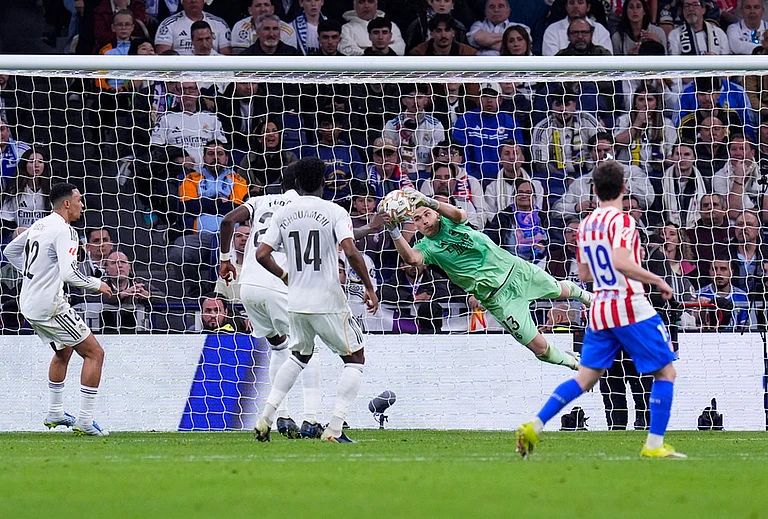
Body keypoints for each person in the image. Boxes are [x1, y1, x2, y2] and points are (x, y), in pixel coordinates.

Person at [516, 160, 685, 459]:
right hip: (628, 304)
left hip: (600, 307)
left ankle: (535, 424)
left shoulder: (587, 225)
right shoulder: (623, 221)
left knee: (585, 378)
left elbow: (583, 275)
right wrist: (656, 278)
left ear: (594, 190)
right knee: (666, 372)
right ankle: (654, 445)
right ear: (624, 188)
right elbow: (621, 262)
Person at [385, 187, 591, 370]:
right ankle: (574, 363)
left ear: (436, 215)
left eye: (427, 214)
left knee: (559, 291)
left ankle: (589, 298)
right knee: (540, 349)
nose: (424, 221)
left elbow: (458, 213)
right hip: (499, 300)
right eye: (417, 220)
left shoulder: (452, 221)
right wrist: (394, 231)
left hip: (516, 271)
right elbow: (411, 258)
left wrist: (430, 201)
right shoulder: (426, 247)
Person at [253, 157, 379, 443]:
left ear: (297, 184)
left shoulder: (283, 214)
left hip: (296, 301)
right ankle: (334, 428)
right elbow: (350, 250)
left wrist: (285, 276)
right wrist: (369, 287)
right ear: (324, 183)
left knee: (298, 356)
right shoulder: (334, 211)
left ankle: (267, 416)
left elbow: (262, 254)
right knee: (355, 359)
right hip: (328, 300)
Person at [2, 182, 113, 436]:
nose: (82, 205)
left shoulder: (40, 225)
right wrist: (97, 284)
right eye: (79, 200)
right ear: (67, 204)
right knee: (95, 353)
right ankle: (84, 421)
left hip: (28, 301)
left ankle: (55, 411)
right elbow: (69, 273)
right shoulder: (65, 231)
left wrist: (33, 274)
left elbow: (10, 251)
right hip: (49, 305)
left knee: (63, 351)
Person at [154, 0, 231, 55]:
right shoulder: (168, 24)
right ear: (182, 1)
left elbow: (227, 56)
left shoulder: (220, 24)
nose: (193, 1)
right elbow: (164, 56)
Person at [542, 0, 613, 56]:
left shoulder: (601, 30)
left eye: (580, 2)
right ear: (566, 7)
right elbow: (552, 63)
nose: (575, 6)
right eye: (571, 3)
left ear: (588, 7)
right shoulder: (552, 30)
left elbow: (607, 61)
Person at [339, 0, 406, 56]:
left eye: (370, 1)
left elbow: (400, 49)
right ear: (354, 6)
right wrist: (382, 49)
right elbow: (347, 51)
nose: (366, 6)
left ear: (376, 5)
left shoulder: (392, 26)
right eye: (361, 2)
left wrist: (365, 49)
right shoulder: (346, 29)